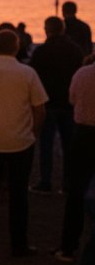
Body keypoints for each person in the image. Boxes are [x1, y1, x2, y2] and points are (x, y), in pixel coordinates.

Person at [0, 30, 48, 256]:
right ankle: (18, 244)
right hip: (21, 141)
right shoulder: (27, 73)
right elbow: (40, 108)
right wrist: (34, 131)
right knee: (19, 195)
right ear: (16, 46)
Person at [29, 16, 84, 194]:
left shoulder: (41, 52)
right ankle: (67, 183)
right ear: (63, 29)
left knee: (46, 145)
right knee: (69, 146)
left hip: (48, 103)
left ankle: (46, 181)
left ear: (47, 30)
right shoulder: (76, 51)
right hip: (68, 104)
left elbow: (33, 78)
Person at [58, 55, 95, 262]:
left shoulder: (82, 73)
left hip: (83, 135)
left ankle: (68, 246)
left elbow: (71, 99)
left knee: (76, 192)